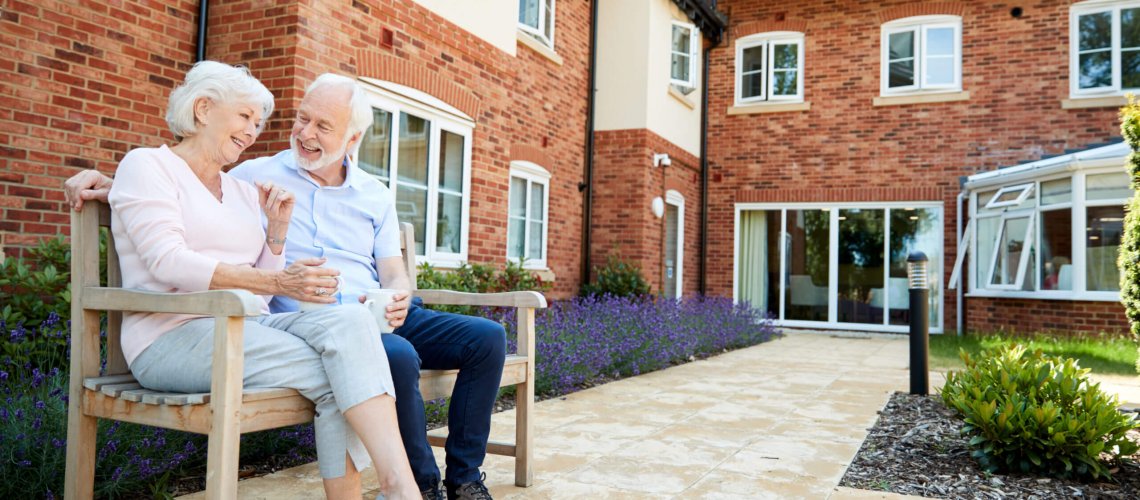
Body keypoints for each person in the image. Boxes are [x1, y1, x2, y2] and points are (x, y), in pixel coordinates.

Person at [66, 73, 506, 500]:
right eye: (246, 118)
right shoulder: (182, 168)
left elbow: (258, 293)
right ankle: (408, 487)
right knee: (355, 368)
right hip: (178, 334)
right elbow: (167, 254)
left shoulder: (241, 187)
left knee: (368, 346)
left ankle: (417, 485)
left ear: (351, 140)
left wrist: (276, 233)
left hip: (268, 323)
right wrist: (117, 186)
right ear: (203, 109)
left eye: (258, 123)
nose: (254, 133)